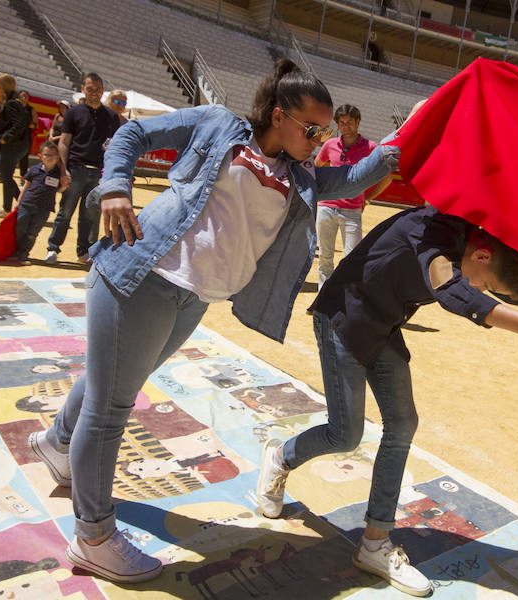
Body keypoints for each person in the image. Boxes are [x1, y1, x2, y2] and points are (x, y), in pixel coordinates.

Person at [26, 57, 398, 583]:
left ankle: (58, 444)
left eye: (325, 131)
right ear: (278, 114)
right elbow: (133, 133)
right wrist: (114, 187)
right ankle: (94, 536)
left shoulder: (300, 174)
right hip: (142, 272)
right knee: (112, 407)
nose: (319, 139)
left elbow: (352, 177)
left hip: (194, 297)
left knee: (115, 377)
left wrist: (405, 138)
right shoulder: (219, 123)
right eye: (312, 128)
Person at [256, 205, 518, 596]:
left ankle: (375, 544)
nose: (479, 288)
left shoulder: (478, 247)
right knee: (345, 435)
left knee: (402, 426)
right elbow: (455, 293)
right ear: (482, 255)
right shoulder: (431, 234)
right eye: (482, 283)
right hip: (344, 316)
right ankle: (281, 456)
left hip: (383, 325)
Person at [45, 73, 120, 264]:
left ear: (103, 90)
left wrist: (107, 174)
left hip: (97, 173)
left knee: (89, 215)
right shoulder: (73, 113)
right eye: (90, 88)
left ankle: (83, 252)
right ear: (83, 89)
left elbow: (113, 148)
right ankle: (53, 248)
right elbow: (64, 142)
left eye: (98, 89)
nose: (94, 92)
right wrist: (64, 169)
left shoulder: (111, 116)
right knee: (65, 212)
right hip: (75, 169)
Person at [313, 104, 391, 287]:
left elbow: (386, 177)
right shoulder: (330, 145)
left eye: (349, 122)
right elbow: (315, 168)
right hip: (326, 208)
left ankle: (343, 301)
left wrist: (368, 198)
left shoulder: (371, 147)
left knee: (351, 259)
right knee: (325, 257)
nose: (345, 126)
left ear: (358, 122)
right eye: (341, 123)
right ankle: (322, 301)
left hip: (351, 211)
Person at [8, 140, 67, 265]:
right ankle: (14, 251)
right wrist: (19, 201)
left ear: (57, 157)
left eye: (53, 155)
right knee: (19, 228)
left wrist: (65, 185)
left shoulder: (58, 174)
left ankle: (23, 254)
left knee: (32, 233)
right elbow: (26, 186)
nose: (50, 158)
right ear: (40, 156)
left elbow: (58, 190)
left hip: (44, 208)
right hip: (27, 204)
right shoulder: (34, 170)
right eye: (47, 155)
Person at [0, 74, 31, 218]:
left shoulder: (11, 103)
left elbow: (19, 124)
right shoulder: (14, 102)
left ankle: (13, 206)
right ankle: (16, 205)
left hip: (12, 145)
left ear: (2, 87)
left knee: (4, 175)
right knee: (3, 174)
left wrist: (5, 138)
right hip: (14, 145)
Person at [16, 90, 39, 182]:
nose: (24, 98)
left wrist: (25, 125)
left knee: (24, 157)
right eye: (23, 96)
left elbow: (35, 124)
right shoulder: (15, 108)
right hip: (15, 134)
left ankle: (22, 178)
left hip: (25, 135)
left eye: (26, 96)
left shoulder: (31, 109)